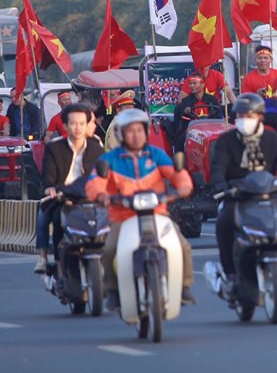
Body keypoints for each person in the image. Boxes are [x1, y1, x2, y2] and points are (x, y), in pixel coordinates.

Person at [85, 108, 196, 310]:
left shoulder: (157, 155)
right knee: (109, 250)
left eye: (140, 130)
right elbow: (95, 182)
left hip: (157, 213)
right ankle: (113, 291)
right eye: (130, 131)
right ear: (121, 134)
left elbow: (176, 174)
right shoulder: (109, 160)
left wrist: (183, 186)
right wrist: (101, 195)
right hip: (122, 216)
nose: (135, 135)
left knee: (182, 245)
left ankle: (184, 286)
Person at [210, 93, 277, 299]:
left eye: (250, 115)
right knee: (224, 222)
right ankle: (231, 275)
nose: (245, 119)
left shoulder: (272, 138)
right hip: (238, 195)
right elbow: (218, 168)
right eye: (241, 115)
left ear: (261, 116)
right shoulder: (226, 140)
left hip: (269, 193)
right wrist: (220, 185)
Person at [35, 103, 104, 274]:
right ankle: (47, 259)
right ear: (65, 126)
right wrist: (50, 188)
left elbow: (104, 175)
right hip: (62, 195)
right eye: (73, 123)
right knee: (50, 216)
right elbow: (48, 174)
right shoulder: (54, 147)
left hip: (88, 196)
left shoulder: (96, 147)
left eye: (82, 123)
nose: (78, 128)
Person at [240, 45, 277, 133]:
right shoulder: (249, 78)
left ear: (270, 60)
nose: (263, 61)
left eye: (265, 58)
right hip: (258, 111)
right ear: (255, 60)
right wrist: (257, 95)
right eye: (260, 58)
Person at [173, 73, 220, 152]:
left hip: (211, 130)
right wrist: (185, 111)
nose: (191, 86)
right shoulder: (186, 101)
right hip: (192, 131)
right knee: (180, 141)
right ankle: (180, 163)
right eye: (190, 83)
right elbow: (181, 117)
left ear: (202, 85)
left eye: (194, 83)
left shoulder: (212, 100)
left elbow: (218, 117)